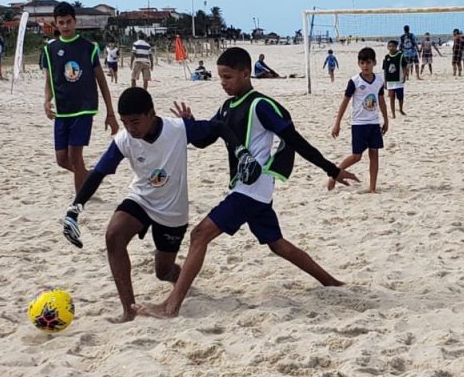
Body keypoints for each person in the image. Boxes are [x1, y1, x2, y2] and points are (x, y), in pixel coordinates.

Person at [133, 47, 357, 319]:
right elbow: (205, 139)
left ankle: (171, 306)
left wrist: (331, 169)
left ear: (245, 73)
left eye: (227, 77)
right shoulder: (227, 107)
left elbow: (296, 141)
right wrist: (189, 123)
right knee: (276, 243)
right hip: (251, 191)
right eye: (220, 77)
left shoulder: (260, 105)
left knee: (200, 234)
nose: (223, 83)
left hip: (252, 188)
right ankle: (330, 282)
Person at [60, 87, 261, 322]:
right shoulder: (125, 140)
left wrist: (241, 151)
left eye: (135, 122)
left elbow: (217, 128)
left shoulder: (177, 129)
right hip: (141, 199)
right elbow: (98, 174)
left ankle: (179, 279)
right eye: (125, 122)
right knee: (114, 235)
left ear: (151, 114)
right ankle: (128, 311)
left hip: (172, 210)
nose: (130, 129)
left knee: (162, 271)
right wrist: (75, 209)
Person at [41, 2, 119, 192]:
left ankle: (79, 201)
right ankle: (90, 177)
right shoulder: (50, 50)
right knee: (62, 159)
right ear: (56, 24)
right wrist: (46, 100)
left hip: (84, 108)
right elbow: (50, 79)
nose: (66, 26)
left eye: (69, 22)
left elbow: (102, 81)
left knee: (75, 156)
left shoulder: (87, 48)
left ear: (75, 22)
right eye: (61, 22)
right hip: (62, 110)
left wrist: (110, 113)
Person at [329, 47, 389, 193]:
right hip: (359, 124)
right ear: (358, 64)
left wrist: (386, 120)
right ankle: (334, 174)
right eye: (362, 63)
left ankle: (372, 188)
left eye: (368, 62)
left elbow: (381, 101)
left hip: (374, 123)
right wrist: (337, 124)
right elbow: (344, 102)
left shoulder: (379, 80)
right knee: (357, 156)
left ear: (374, 62)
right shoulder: (354, 81)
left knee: (374, 155)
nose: (365, 66)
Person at [383, 40, 406, 117]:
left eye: (393, 46)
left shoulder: (400, 55)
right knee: (391, 97)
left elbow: (404, 66)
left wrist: (405, 75)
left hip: (399, 80)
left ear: (396, 47)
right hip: (390, 81)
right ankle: (393, 113)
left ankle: (401, 109)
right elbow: (385, 70)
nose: (391, 48)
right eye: (390, 46)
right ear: (387, 47)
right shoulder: (386, 57)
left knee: (400, 97)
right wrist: (385, 81)